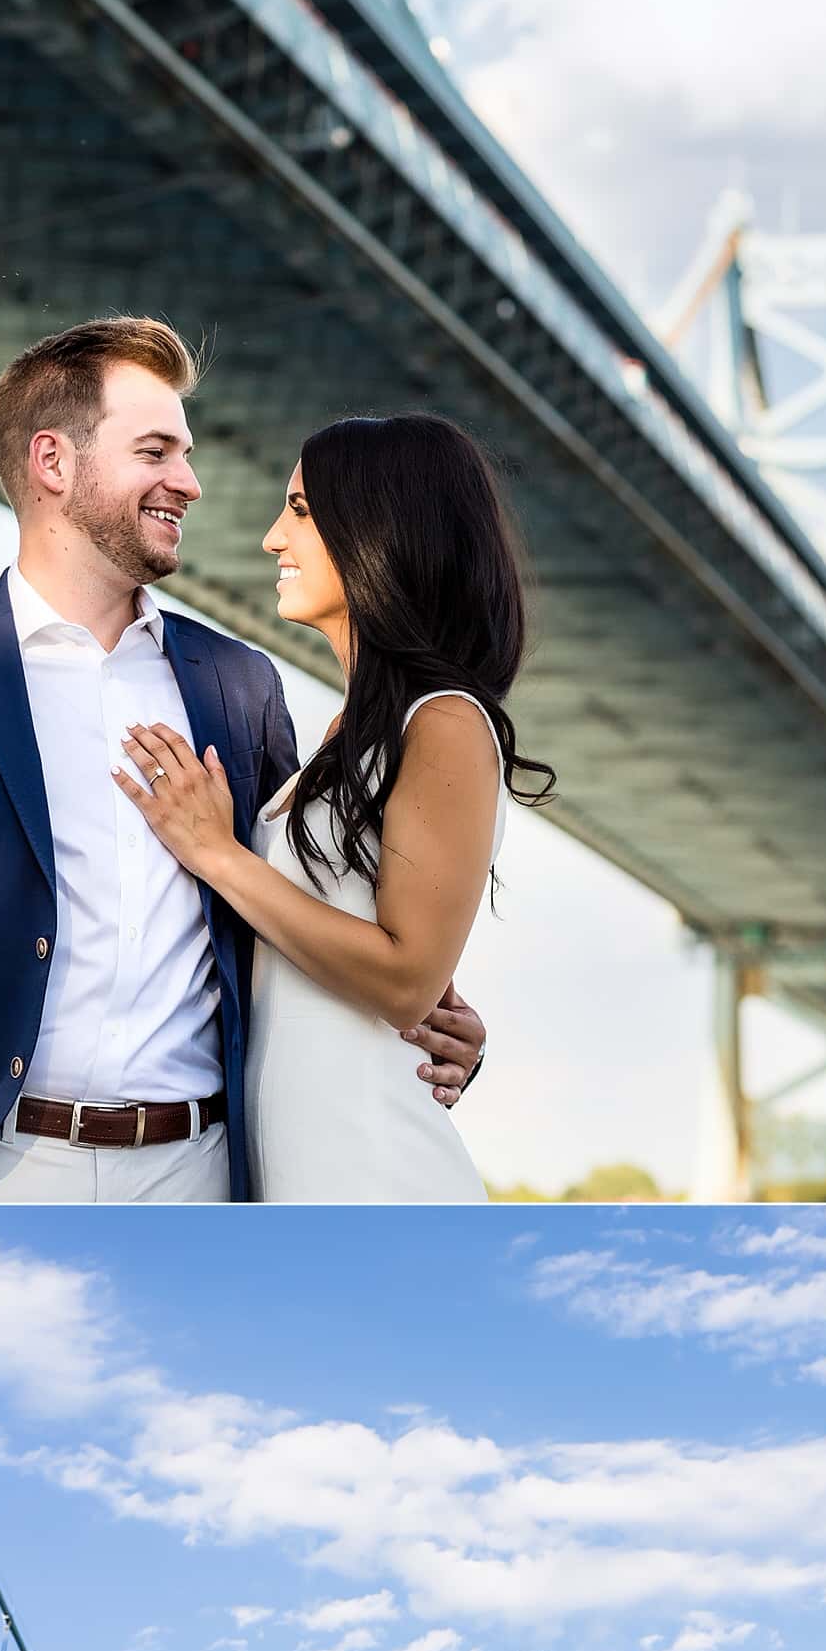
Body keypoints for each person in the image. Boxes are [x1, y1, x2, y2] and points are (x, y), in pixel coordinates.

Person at [0, 315, 487, 1203]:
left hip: (201, 1172)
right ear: (53, 463)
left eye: (185, 453)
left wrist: (428, 1021)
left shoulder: (237, 683)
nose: (188, 482)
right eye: (156, 451)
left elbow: (292, 910)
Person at [113, 411, 552, 1199]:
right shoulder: (344, 736)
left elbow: (407, 981)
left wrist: (216, 853)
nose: (273, 539)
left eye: (302, 512)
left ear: (382, 530)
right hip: (293, 1174)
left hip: (375, 1176)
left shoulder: (445, 720)